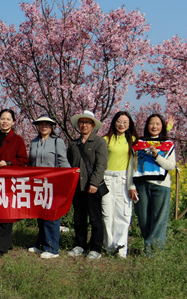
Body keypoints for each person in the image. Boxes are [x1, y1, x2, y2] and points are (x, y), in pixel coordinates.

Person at [130, 114, 176, 256]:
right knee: (143, 219)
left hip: (161, 186)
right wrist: (131, 186)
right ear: (146, 125)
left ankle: (152, 251)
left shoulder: (168, 144)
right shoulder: (138, 143)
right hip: (141, 185)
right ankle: (150, 245)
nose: (154, 127)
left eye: (158, 124)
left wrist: (157, 156)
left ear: (162, 126)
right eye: (151, 123)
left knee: (159, 219)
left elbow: (171, 166)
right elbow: (131, 165)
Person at [66, 110, 108, 260]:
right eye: (82, 122)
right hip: (77, 187)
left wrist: (94, 183)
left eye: (87, 123)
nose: (84, 125)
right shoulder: (73, 144)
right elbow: (69, 164)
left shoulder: (99, 142)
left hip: (92, 187)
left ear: (93, 125)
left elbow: (101, 165)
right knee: (79, 218)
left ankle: (96, 248)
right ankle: (80, 245)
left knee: (95, 218)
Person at [0, 109, 29, 257]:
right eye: (2, 118)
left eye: (8, 119)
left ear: (13, 122)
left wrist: (9, 162)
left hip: (9, 181)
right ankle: (7, 243)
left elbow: (23, 160)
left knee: (6, 214)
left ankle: (0, 248)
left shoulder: (17, 140)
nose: (5, 121)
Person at [27, 115, 70, 259]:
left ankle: (52, 248)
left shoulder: (57, 142)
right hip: (37, 184)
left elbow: (62, 160)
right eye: (41, 124)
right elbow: (31, 164)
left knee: (51, 215)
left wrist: (68, 177)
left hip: (53, 184)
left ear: (52, 127)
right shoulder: (34, 142)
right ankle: (41, 244)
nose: (44, 127)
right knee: (40, 215)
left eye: (47, 124)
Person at [102, 111, 137, 258]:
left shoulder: (133, 140)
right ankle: (109, 247)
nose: (121, 125)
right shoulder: (105, 139)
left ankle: (121, 248)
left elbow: (153, 142)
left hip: (124, 179)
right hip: (107, 178)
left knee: (123, 214)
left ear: (129, 125)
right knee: (107, 214)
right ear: (114, 122)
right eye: (119, 121)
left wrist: (132, 186)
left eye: (125, 122)